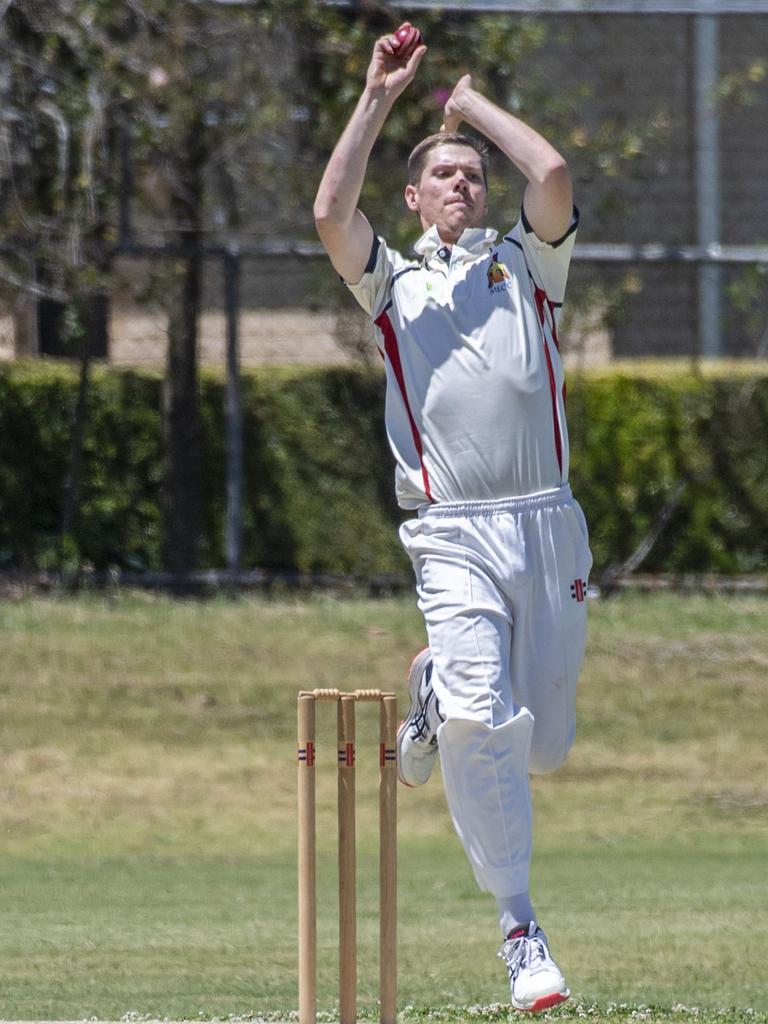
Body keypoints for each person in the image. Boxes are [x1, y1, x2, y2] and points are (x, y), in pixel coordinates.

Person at [313, 22, 593, 1014]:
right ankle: (522, 928)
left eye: (473, 171)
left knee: (543, 742)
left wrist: (467, 109)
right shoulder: (394, 283)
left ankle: (428, 690)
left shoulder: (530, 267)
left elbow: (552, 171)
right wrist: (384, 95)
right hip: (454, 532)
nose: (465, 181)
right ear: (415, 197)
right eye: (445, 174)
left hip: (549, 527)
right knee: (486, 719)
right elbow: (329, 212)